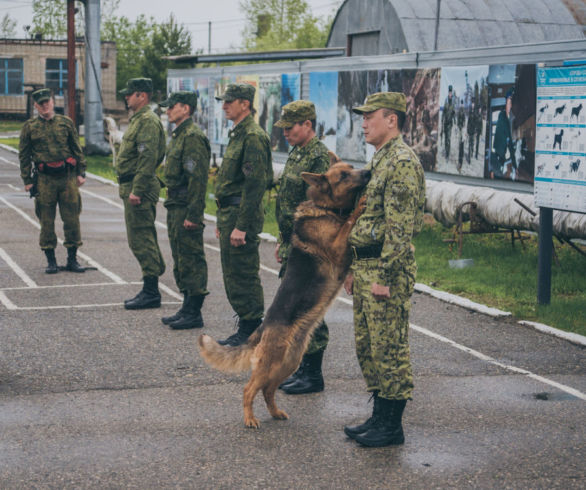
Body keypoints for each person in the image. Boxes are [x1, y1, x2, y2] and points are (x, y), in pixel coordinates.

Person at [343, 92, 426, 448]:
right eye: (361, 117)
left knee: (389, 349)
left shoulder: (402, 162)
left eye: (369, 116)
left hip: (384, 271)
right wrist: (352, 266)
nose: (363, 123)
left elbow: (399, 227)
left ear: (391, 119)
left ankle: (392, 426)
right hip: (366, 266)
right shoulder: (381, 159)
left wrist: (385, 278)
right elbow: (366, 216)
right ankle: (378, 417)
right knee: (369, 347)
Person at [273, 100, 330, 395]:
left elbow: (322, 207)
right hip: (294, 244)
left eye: (290, 127)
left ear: (307, 124)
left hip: (310, 248)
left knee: (308, 308)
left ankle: (313, 374)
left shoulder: (319, 157)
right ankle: (302, 369)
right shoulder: (298, 153)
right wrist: (284, 242)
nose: (285, 133)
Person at [214, 83, 273, 346]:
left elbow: (254, 185)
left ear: (245, 104)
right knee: (232, 272)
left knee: (243, 273)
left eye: (230, 101)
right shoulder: (238, 134)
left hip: (240, 216)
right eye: (224, 101)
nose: (224, 105)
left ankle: (251, 329)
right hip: (230, 213)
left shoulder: (252, 136)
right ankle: (246, 325)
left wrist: (242, 226)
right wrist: (221, 220)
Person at [19, 88, 86, 274]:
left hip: (67, 179)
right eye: (40, 104)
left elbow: (76, 148)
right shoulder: (30, 127)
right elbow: (24, 156)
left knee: (72, 220)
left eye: (47, 102)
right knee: (46, 222)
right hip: (44, 180)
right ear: (35, 106)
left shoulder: (66, 123)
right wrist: (27, 180)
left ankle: (72, 259)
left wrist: (82, 172)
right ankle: (51, 261)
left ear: (53, 102)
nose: (44, 106)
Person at [159, 91, 211, 330]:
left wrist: (194, 214)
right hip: (175, 205)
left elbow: (198, 180)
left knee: (191, 258)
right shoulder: (179, 134)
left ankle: (194, 311)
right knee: (181, 258)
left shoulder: (192, 137)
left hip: (185, 207)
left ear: (186, 109)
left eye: (172, 107)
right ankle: (186, 306)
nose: (168, 110)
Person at [117, 78, 166, 310]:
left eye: (130, 94)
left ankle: (151, 291)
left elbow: (147, 159)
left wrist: (137, 190)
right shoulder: (138, 119)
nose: (126, 97)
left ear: (142, 96)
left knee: (142, 238)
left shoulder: (147, 120)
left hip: (139, 189)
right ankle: (150, 286)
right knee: (138, 238)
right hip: (132, 186)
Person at [491, 88, 516, 179]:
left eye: (510, 103)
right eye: (508, 102)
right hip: (499, 151)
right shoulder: (502, 115)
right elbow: (504, 135)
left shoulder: (511, 117)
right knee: (498, 175)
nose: (509, 105)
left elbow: (509, 138)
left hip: (504, 153)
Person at [441, 85, 455, 158]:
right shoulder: (445, 103)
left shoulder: (453, 104)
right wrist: (442, 121)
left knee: (448, 139)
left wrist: (454, 122)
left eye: (451, 93)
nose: (450, 94)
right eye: (449, 93)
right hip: (445, 124)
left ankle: (447, 154)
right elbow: (443, 113)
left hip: (450, 124)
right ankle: (446, 150)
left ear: (452, 94)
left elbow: (454, 114)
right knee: (446, 139)